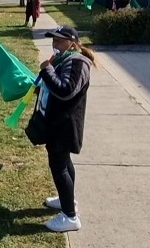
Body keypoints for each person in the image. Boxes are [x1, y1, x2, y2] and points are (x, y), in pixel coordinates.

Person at [37, 25, 95, 233]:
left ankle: (70, 216)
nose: (55, 45)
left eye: (59, 41)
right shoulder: (65, 60)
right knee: (64, 163)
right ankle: (66, 200)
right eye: (53, 41)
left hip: (65, 124)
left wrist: (47, 70)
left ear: (72, 42)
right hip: (58, 122)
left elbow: (65, 90)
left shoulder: (77, 62)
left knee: (58, 166)